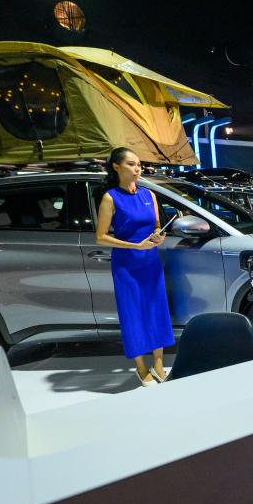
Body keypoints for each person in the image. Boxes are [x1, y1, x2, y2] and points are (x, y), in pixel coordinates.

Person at [95, 147, 175, 387]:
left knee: (156, 310)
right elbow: (100, 237)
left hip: (150, 262)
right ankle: (140, 367)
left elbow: (157, 225)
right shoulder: (110, 198)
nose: (137, 168)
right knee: (133, 314)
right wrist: (134, 245)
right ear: (116, 167)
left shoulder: (148, 195)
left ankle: (159, 364)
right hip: (126, 265)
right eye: (131, 164)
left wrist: (159, 235)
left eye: (139, 164)